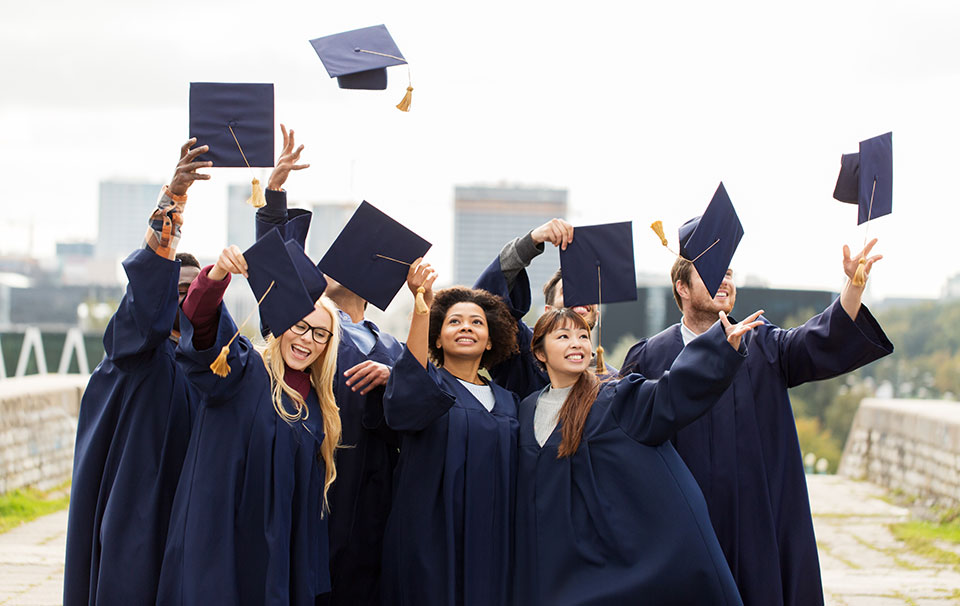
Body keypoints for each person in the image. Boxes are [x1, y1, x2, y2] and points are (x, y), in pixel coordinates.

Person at [620, 240, 894, 606]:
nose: (724, 279)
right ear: (681, 288)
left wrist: (854, 284)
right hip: (680, 528)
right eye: (711, 270)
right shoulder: (649, 357)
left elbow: (820, 338)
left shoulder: (763, 343)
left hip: (756, 524)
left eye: (729, 272)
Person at [515, 306, 763, 605]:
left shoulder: (613, 398)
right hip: (553, 562)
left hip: (604, 562)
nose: (577, 343)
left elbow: (670, 392)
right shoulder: (527, 408)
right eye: (564, 336)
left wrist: (720, 348)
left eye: (583, 335)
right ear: (540, 352)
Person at [254, 125, 404, 606]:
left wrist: (394, 379)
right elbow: (271, 269)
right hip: (314, 473)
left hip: (374, 491)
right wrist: (275, 195)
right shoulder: (309, 325)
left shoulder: (392, 346)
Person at [157, 236, 342, 606]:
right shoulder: (243, 369)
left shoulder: (321, 408)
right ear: (282, 323)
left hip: (279, 552)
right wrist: (219, 273)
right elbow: (203, 325)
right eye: (300, 326)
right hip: (221, 536)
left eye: (320, 333)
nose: (307, 339)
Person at [63, 139, 209, 605]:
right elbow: (147, 294)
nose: (188, 300)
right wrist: (173, 202)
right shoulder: (135, 349)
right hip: (136, 514)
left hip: (191, 513)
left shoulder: (212, 362)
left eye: (198, 291)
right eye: (180, 289)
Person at [380, 261, 520, 605]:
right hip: (431, 538)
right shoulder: (430, 387)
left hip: (494, 542)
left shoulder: (510, 402)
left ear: (490, 341)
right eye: (453, 321)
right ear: (438, 337)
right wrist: (421, 305)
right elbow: (408, 386)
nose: (465, 327)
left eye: (477, 322)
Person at [474, 219, 612, 398]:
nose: (579, 297)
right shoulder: (523, 351)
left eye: (587, 293)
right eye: (567, 292)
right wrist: (532, 241)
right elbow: (485, 305)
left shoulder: (612, 382)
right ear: (547, 311)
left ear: (597, 315)